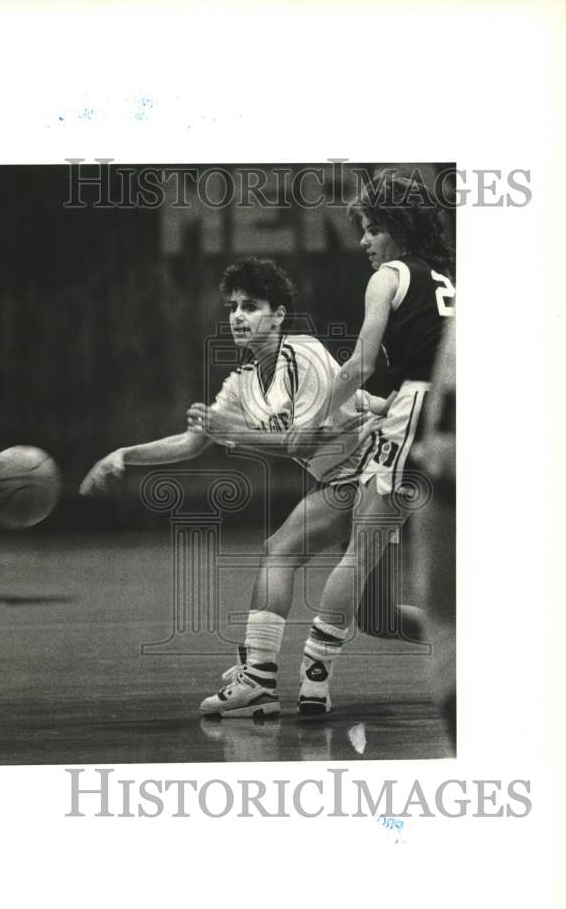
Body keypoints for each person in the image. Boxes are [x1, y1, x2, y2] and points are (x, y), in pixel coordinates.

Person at [80, 255, 414, 718]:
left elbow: (304, 442)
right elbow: (195, 442)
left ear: (278, 315)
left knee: (280, 550)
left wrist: (232, 432)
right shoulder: (240, 383)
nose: (238, 315)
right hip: (346, 478)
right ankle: (475, 640)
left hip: (375, 467)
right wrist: (126, 455)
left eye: (251, 306)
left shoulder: (305, 354)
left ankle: (258, 679)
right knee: (383, 618)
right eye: (233, 306)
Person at [293, 172, 456, 717]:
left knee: (360, 551)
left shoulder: (389, 276)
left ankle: (312, 678)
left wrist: (318, 413)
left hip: (421, 415)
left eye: (372, 229)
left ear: (397, 228)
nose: (365, 241)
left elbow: (361, 363)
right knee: (381, 611)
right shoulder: (452, 277)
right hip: (452, 414)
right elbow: (428, 359)